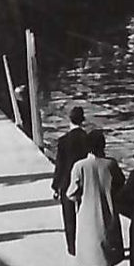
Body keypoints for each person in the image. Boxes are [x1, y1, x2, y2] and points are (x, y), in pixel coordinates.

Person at [67, 130, 126, 266]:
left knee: (89, 246)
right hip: (109, 209)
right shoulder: (111, 164)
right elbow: (121, 184)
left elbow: (71, 192)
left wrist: (79, 197)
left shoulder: (80, 166)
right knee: (110, 243)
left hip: (87, 212)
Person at [52, 108, 94, 256]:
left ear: (70, 120)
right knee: (87, 215)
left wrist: (56, 186)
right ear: (83, 120)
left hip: (66, 182)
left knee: (69, 216)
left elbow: (60, 166)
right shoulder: (88, 139)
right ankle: (88, 244)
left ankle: (72, 247)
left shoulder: (63, 141)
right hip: (86, 181)